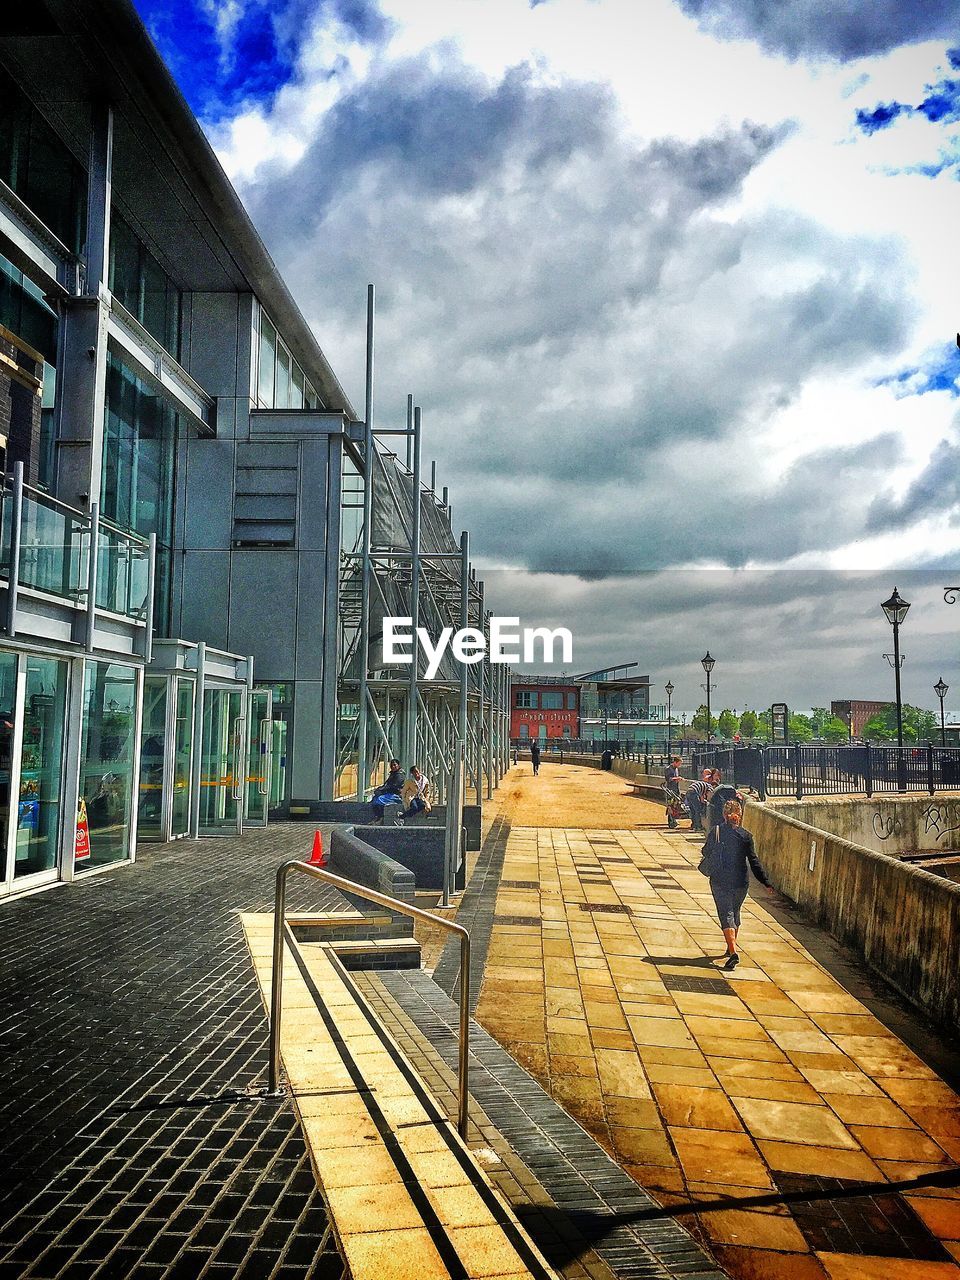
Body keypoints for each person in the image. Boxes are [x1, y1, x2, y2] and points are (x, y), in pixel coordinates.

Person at [701, 799, 774, 969]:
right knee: (735, 912)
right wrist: (766, 882)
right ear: (739, 816)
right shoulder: (746, 836)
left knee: (725, 914)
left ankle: (733, 952)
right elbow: (753, 861)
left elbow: (705, 851)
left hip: (720, 879)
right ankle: (730, 946)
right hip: (741, 881)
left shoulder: (716, 831)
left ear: (724, 815)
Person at [663, 755, 683, 829]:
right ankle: (671, 821)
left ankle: (674, 820)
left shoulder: (676, 769)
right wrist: (676, 778)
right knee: (670, 806)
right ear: (675, 762)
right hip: (670, 790)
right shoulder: (668, 769)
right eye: (679, 763)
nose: (679, 765)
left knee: (675, 806)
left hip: (676, 789)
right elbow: (668, 779)